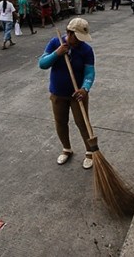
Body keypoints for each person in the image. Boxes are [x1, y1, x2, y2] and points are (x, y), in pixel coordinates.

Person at [38, 18, 95, 169]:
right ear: (69, 33)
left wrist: (85, 88)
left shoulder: (86, 50)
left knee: (82, 122)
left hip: (78, 94)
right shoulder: (55, 43)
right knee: (61, 122)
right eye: (76, 38)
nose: (78, 42)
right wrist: (57, 53)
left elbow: (90, 72)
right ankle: (66, 149)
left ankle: (90, 152)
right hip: (58, 93)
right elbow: (42, 64)